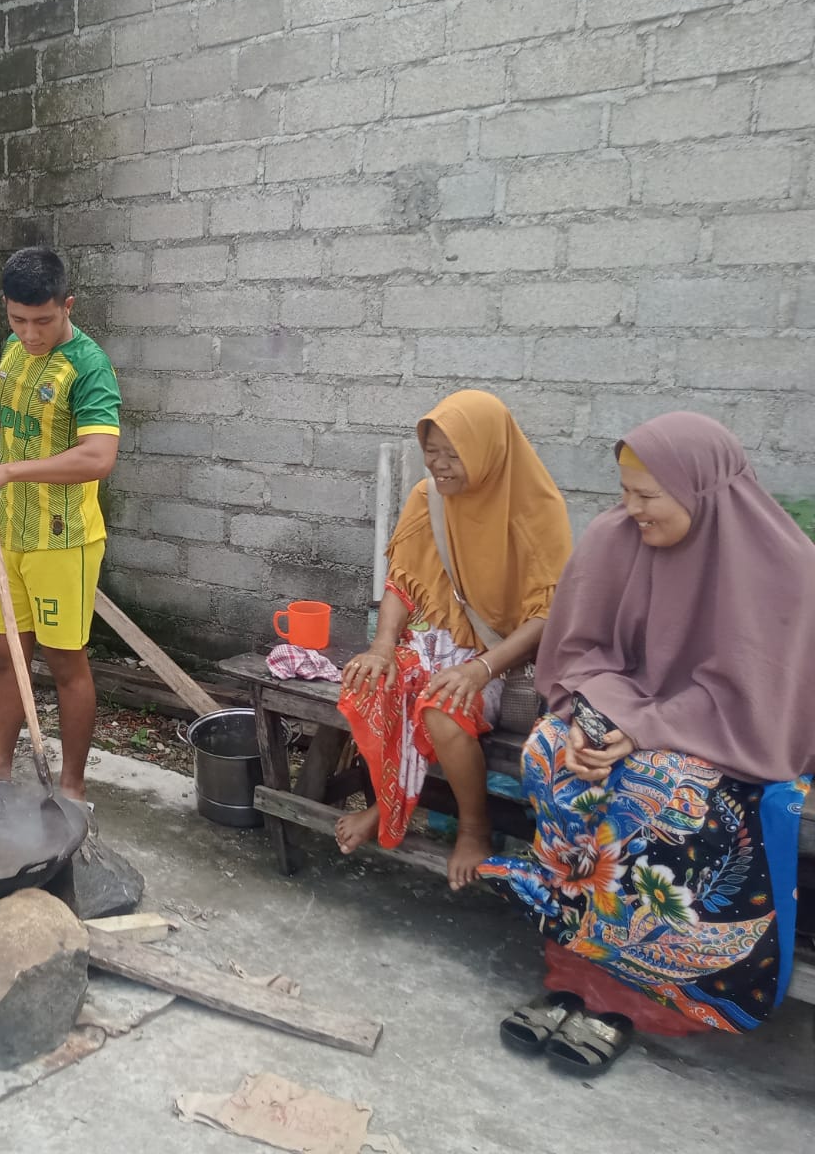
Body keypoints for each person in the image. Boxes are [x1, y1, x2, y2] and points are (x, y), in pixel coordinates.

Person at [481, 413, 815, 1074]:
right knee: (551, 755)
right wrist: (593, 720)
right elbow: (579, 652)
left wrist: (644, 730)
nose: (629, 508)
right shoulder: (615, 537)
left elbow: (754, 695)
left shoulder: (782, 567)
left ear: (699, 490)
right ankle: (572, 967)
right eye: (625, 490)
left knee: (661, 788)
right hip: (626, 716)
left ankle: (634, 998)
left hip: (724, 740)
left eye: (647, 495)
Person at [336, 390, 573, 889]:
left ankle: (474, 827)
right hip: (436, 641)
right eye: (431, 452)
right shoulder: (429, 499)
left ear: (487, 449)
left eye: (453, 454)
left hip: (503, 660)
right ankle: (386, 806)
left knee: (443, 709)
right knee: (371, 684)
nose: (439, 466)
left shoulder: (536, 510)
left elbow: (547, 617)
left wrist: (478, 669)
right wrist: (382, 646)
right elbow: (402, 579)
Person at [0, 248, 121, 802]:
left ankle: (71, 786)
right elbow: (14, 421)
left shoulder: (89, 366)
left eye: (43, 320)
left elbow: (98, 457)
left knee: (65, 663)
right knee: (6, 656)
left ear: (66, 305)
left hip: (63, 538)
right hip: (12, 533)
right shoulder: (13, 350)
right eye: (18, 320)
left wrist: (8, 471)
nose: (30, 333)